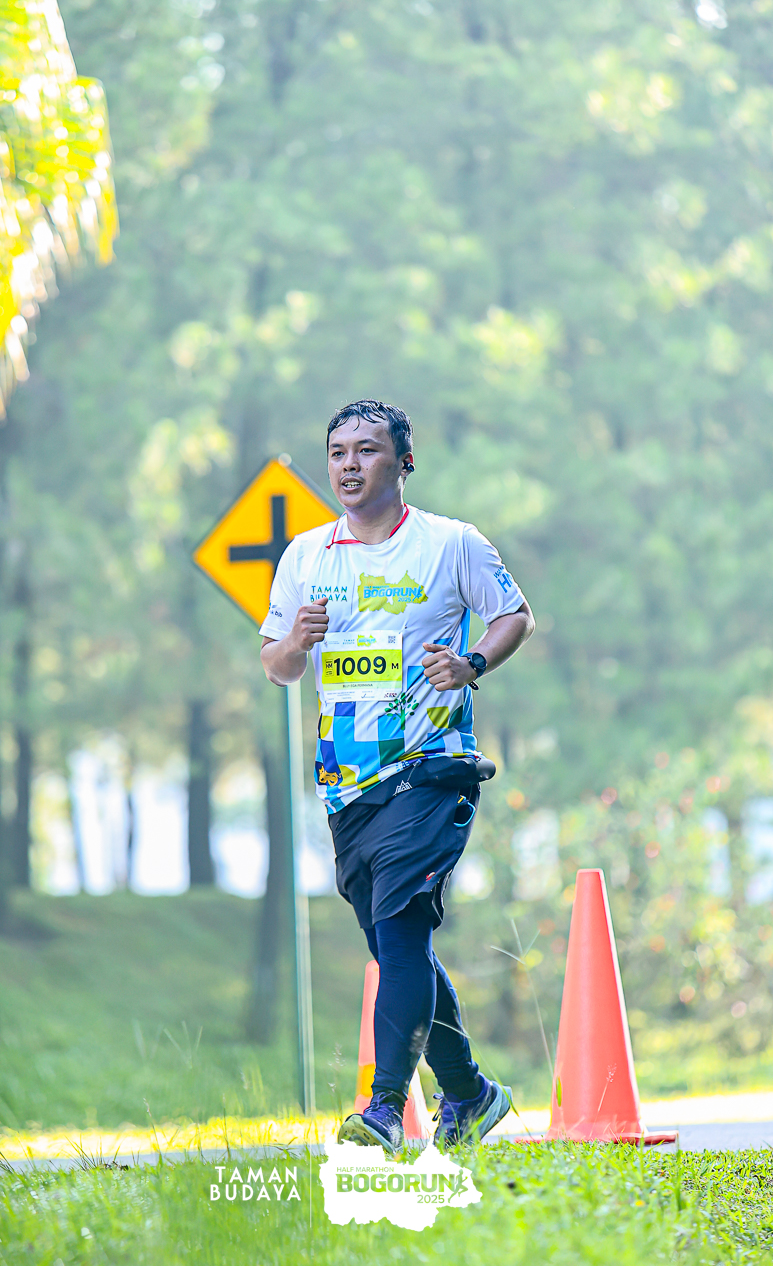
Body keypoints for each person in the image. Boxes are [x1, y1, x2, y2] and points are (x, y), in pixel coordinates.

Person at [259, 399, 534, 1154]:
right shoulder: (306, 556)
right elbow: (277, 667)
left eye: (367, 450)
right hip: (348, 783)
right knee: (395, 946)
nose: (349, 465)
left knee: (403, 930)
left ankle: (383, 1109)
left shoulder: (451, 544)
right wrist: (294, 642)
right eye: (337, 452)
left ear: (403, 462)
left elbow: (514, 616)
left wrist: (472, 662)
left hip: (431, 767)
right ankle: (470, 1094)